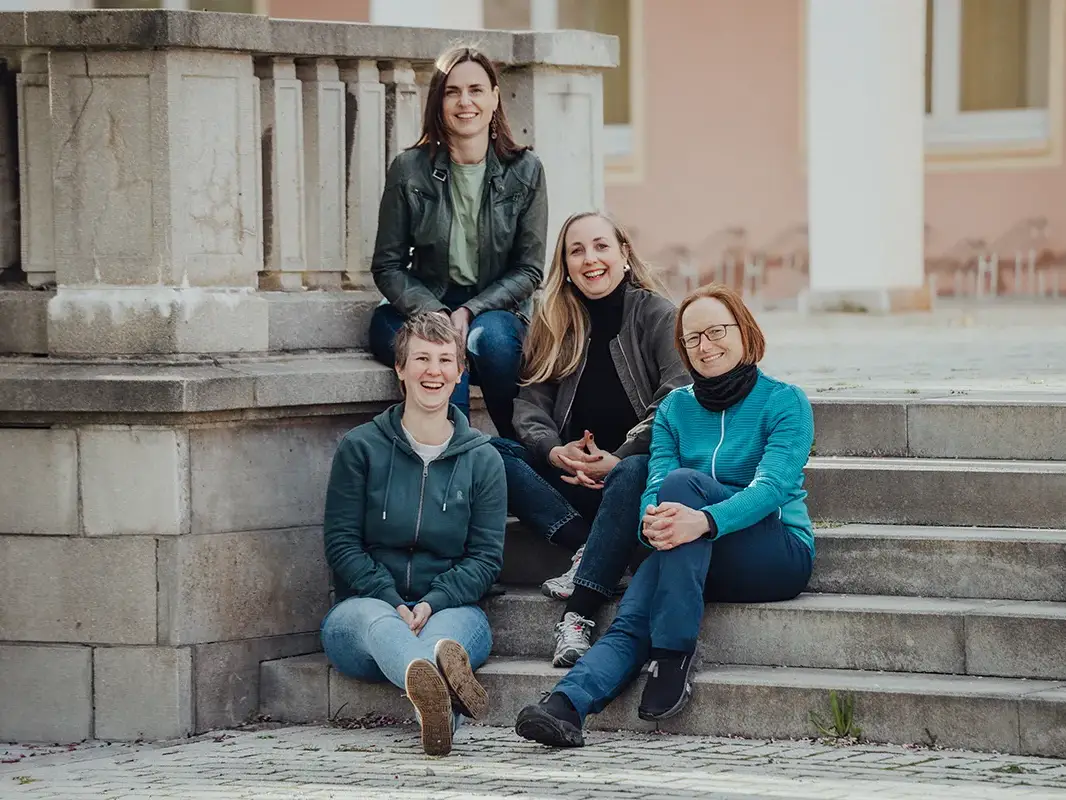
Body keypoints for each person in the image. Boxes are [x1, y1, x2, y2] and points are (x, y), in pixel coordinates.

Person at [514, 283, 816, 747]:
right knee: (637, 604)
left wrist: (703, 521)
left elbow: (771, 488)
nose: (705, 346)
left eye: (717, 331)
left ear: (745, 332)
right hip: (690, 545)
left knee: (682, 487)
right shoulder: (676, 408)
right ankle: (567, 705)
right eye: (693, 338)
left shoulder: (783, 401)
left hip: (774, 552)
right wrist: (651, 525)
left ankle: (674, 650)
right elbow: (653, 486)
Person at [492, 211, 690, 668]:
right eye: (576, 250)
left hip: (637, 481)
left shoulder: (657, 314)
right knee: (490, 452)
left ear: (624, 253)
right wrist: (555, 452)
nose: (590, 259)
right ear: (565, 263)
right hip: (575, 482)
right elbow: (530, 406)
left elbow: (676, 398)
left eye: (601, 246)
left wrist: (617, 458)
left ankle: (578, 614)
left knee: (634, 470)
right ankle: (595, 546)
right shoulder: (557, 322)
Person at [320, 313, 507, 756]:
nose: (434, 371)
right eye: (421, 358)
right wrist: (390, 598)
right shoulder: (360, 448)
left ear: (460, 373)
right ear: (399, 368)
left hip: (451, 608)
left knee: (446, 640)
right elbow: (341, 543)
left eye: (445, 360)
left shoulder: (483, 460)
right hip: (363, 613)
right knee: (379, 623)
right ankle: (439, 688)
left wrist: (432, 602)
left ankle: (435, 701)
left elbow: (485, 558)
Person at [368, 45, 548, 441]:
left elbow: (530, 269)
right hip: (419, 302)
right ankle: (455, 453)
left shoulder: (526, 170)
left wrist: (469, 310)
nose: (465, 102)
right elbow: (388, 265)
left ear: (494, 97)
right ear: (439, 100)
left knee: (493, 342)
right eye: (452, 91)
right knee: (438, 352)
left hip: (495, 309)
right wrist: (436, 314)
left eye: (476, 90)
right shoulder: (409, 170)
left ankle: (519, 451)